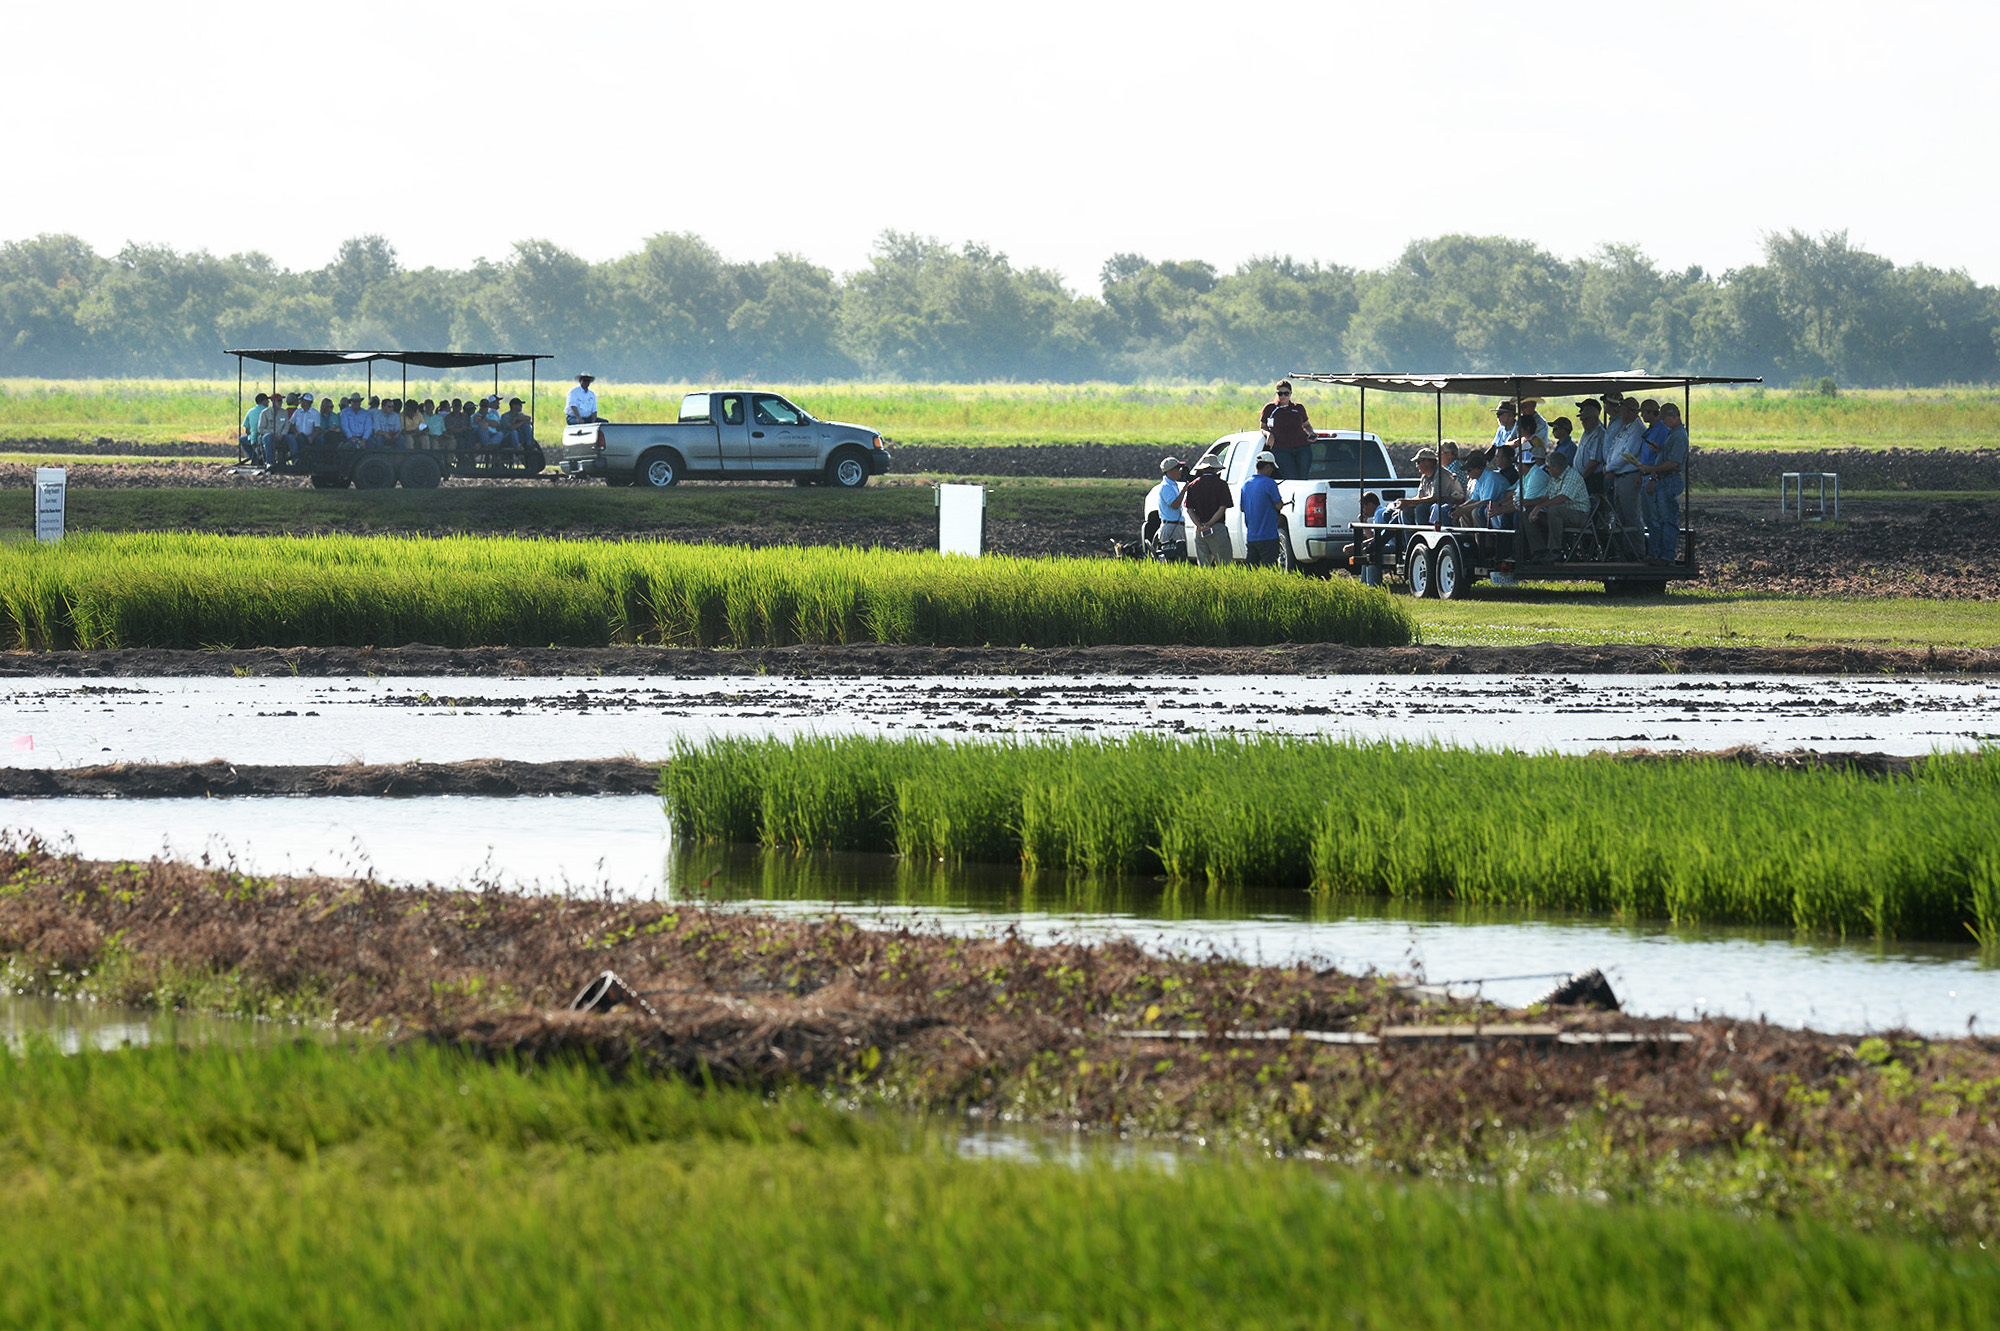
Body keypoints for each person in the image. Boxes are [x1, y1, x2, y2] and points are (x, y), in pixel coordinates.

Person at [1638, 401, 1688, 562]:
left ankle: (1666, 556)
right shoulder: (1673, 434)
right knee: (1660, 519)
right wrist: (1659, 451)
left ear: (1673, 417)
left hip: (1669, 480)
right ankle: (1658, 554)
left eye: (1665, 419)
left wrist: (1652, 469)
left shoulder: (1679, 435)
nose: (1664, 423)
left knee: (1667, 520)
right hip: (1665, 479)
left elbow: (1673, 462)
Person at [1520, 450, 1587, 562]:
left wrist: (1539, 507)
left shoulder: (1572, 476)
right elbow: (1546, 497)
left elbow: (1561, 498)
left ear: (1556, 467)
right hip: (1561, 514)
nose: (1546, 469)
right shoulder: (1554, 478)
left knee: (1554, 509)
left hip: (1579, 515)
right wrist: (1528, 502)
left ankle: (1555, 551)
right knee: (1526, 510)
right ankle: (1539, 550)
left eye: (1548, 467)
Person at [1604, 397, 1649, 560]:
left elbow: (1626, 454)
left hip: (1629, 477)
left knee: (1632, 517)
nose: (1620, 413)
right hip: (1620, 476)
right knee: (1621, 517)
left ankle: (1637, 553)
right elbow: (1615, 449)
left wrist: (1608, 467)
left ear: (1631, 412)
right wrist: (1609, 465)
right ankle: (1625, 552)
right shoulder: (1626, 428)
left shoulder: (1637, 430)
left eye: (1623, 410)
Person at [1386, 447, 1465, 524]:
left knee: (1421, 508)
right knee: (1406, 510)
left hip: (1449, 506)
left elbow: (1435, 497)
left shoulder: (1441, 474)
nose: (1417, 466)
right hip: (1435, 505)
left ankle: (1422, 536)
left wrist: (1409, 502)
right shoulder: (1425, 476)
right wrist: (1406, 504)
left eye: (1418, 462)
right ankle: (1409, 537)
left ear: (1427, 461)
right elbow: (1420, 496)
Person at [1239, 450, 1289, 567]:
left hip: (1251, 536)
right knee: (1269, 569)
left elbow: (1242, 508)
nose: (1272, 471)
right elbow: (1278, 505)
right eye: (1272, 468)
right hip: (1268, 535)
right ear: (1267, 466)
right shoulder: (1270, 483)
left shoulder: (1246, 484)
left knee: (1251, 570)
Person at [1258, 381, 1314, 482]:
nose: (1283, 396)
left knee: (1303, 479)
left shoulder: (1298, 408)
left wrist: (1311, 433)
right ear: (1276, 394)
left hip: (1302, 448)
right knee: (1291, 478)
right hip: (1281, 449)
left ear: (1290, 394)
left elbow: (1306, 425)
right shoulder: (1270, 409)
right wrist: (1269, 434)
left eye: (1286, 393)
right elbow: (1263, 427)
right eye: (1280, 393)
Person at [1183, 458, 1234, 567]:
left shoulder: (1192, 485)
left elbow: (1190, 510)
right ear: (1216, 469)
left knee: (1204, 566)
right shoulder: (1221, 485)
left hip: (1199, 530)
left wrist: (1200, 526)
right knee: (1225, 565)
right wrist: (1209, 524)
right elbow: (1222, 508)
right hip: (1217, 528)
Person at [1155, 457, 1188, 557]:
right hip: (1170, 526)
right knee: (1171, 556)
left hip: (1176, 525)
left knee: (1180, 555)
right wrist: (1184, 490)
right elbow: (1175, 505)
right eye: (1178, 469)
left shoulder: (1173, 485)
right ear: (1170, 471)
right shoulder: (1166, 487)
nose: (1180, 471)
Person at [240, 393, 269, 461]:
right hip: (265, 437)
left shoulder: (250, 411)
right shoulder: (269, 411)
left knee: (242, 438)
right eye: (267, 400)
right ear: (262, 401)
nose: (268, 402)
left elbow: (247, 430)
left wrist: (253, 434)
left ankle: (253, 456)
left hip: (253, 438)